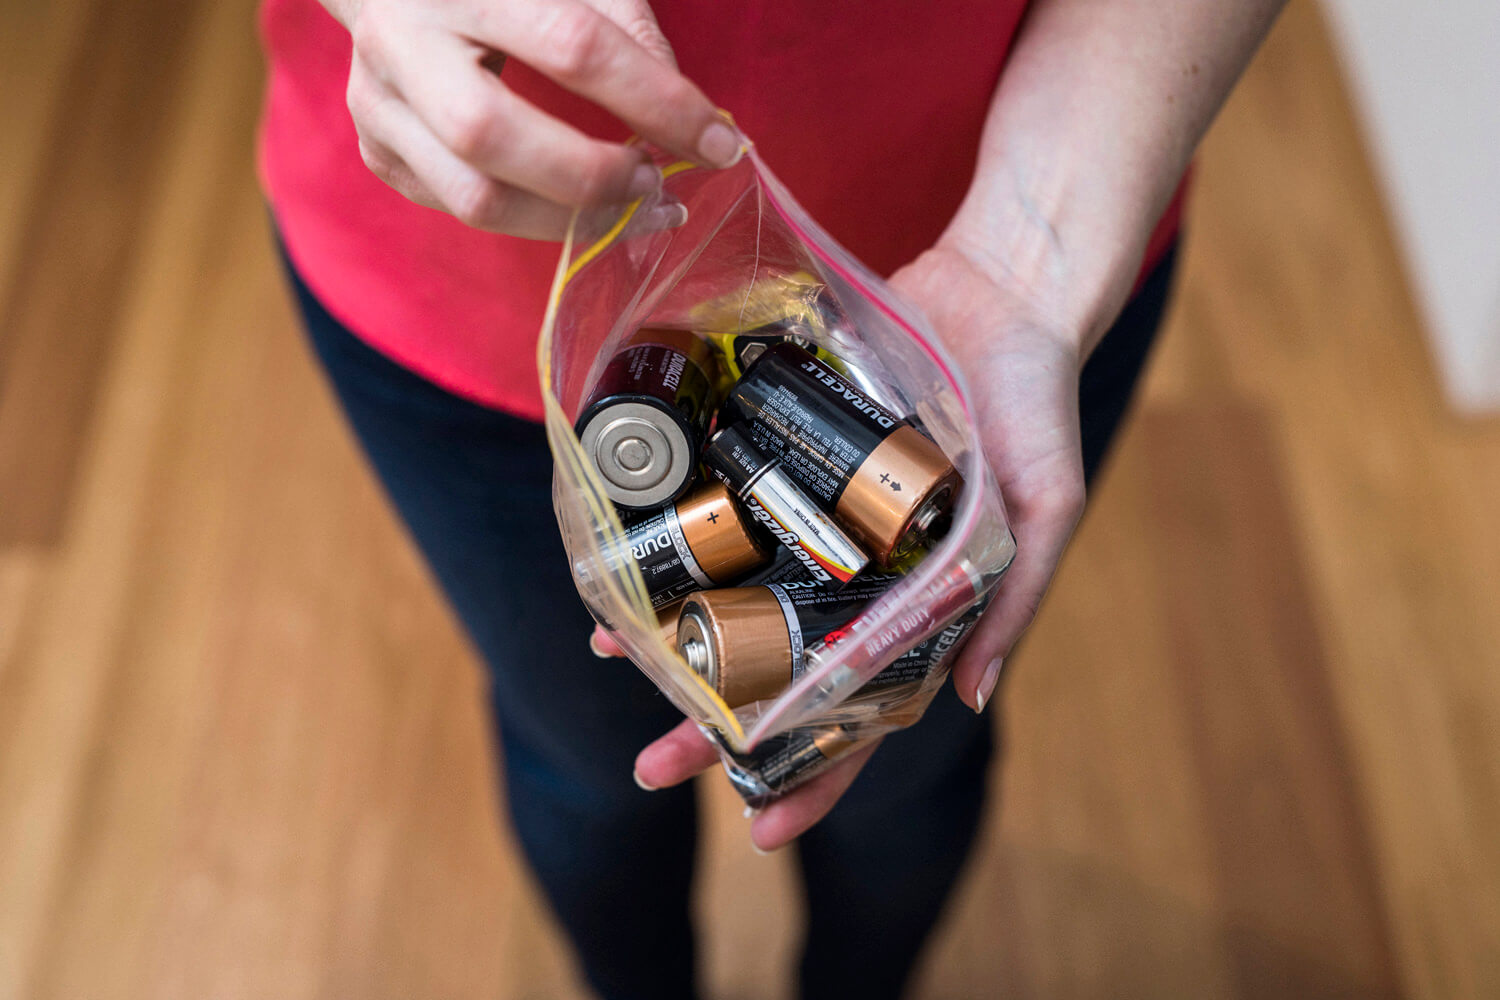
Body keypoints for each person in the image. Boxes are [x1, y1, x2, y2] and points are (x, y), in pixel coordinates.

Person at [259, 1, 1284, 996]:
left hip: (1043, 212)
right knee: (585, 764)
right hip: (450, 271)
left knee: (904, 771)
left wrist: (1037, 256)